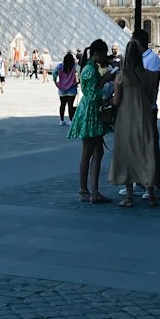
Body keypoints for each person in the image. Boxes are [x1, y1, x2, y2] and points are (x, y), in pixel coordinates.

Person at [109, 38, 160, 206]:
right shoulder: (149, 76)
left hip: (126, 118)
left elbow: (116, 101)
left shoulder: (121, 76)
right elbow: (153, 97)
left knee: (126, 154)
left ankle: (129, 197)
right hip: (144, 116)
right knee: (146, 153)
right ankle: (151, 194)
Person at [67, 38, 111, 203]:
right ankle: (86, 191)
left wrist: (104, 79)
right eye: (104, 54)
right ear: (97, 53)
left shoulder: (89, 68)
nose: (105, 57)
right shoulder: (90, 70)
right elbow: (93, 95)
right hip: (91, 113)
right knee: (87, 153)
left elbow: (93, 88)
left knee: (97, 152)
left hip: (89, 112)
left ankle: (92, 191)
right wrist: (107, 96)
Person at [132, 27, 160, 199]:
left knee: (151, 147)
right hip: (137, 108)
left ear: (137, 43)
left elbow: (151, 86)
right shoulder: (139, 59)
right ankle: (140, 180)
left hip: (148, 108)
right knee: (139, 145)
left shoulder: (152, 59)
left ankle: (154, 183)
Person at [53, 52, 79, 125]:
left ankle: (62, 120)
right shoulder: (74, 67)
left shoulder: (59, 66)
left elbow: (54, 73)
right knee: (70, 105)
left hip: (61, 88)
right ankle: (71, 120)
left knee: (62, 104)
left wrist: (55, 82)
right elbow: (80, 72)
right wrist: (78, 81)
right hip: (72, 87)